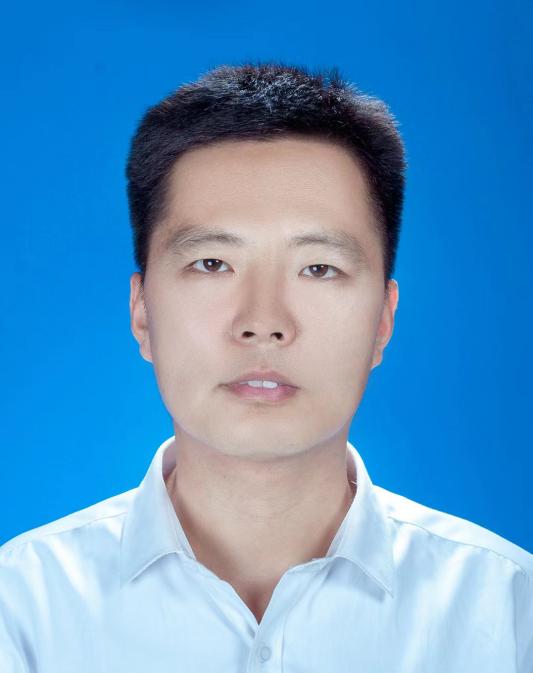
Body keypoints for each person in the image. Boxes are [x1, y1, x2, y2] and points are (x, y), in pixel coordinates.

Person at [0, 60, 531, 673]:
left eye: (318, 268)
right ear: (142, 312)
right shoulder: (23, 609)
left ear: (383, 321)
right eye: (212, 264)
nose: (263, 322)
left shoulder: (509, 612)